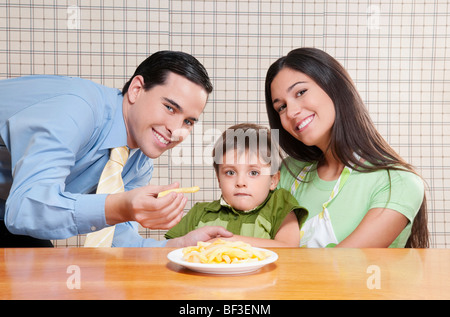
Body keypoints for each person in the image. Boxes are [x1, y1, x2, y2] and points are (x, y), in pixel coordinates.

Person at [0, 50, 232, 247]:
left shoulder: (138, 163)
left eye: (188, 121)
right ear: (136, 89)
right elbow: (25, 207)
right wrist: (119, 207)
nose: (175, 129)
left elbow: (117, 239)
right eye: (170, 108)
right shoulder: (76, 110)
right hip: (17, 207)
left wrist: (174, 246)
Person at [265, 47, 429, 248]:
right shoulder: (290, 172)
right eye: (280, 107)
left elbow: (342, 266)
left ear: (334, 86)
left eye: (300, 92)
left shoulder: (398, 182)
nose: (291, 112)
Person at [165, 123, 308, 247]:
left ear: (273, 180)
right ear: (218, 178)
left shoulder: (279, 206)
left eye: (253, 173)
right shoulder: (199, 213)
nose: (240, 182)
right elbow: (167, 250)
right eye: (230, 173)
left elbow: (288, 248)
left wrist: (229, 242)